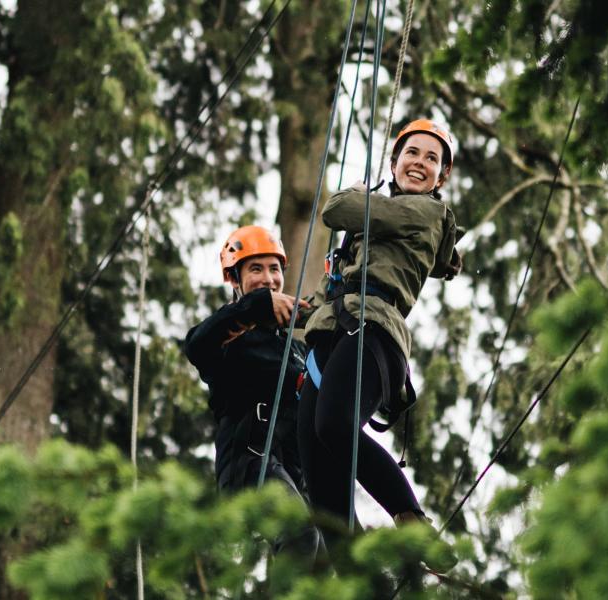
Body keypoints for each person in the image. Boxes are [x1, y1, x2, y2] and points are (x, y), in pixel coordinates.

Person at [297, 119, 463, 556]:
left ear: (441, 177)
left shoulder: (427, 212)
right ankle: (355, 581)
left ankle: (410, 518)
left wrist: (357, 193)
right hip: (335, 334)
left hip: (375, 332)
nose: (420, 163)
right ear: (395, 161)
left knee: (334, 423)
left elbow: (336, 210)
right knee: (323, 490)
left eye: (432, 159)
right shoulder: (375, 222)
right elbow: (334, 289)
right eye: (412, 153)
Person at [184, 225, 322, 561]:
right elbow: (196, 344)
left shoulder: (298, 350)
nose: (268, 278)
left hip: (291, 472)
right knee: (300, 533)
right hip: (249, 463)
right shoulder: (230, 338)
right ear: (234, 278)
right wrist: (257, 306)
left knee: (320, 556)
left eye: (274, 269)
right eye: (255, 269)